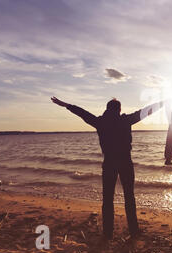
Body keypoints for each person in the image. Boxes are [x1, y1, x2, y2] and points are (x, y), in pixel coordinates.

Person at [51, 96, 165, 240]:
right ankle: (134, 231)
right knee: (129, 197)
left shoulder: (100, 122)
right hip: (125, 162)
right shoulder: (125, 120)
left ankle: (108, 233)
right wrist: (162, 103)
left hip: (109, 162)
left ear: (107, 108)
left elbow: (82, 113)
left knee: (108, 199)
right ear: (119, 109)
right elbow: (146, 111)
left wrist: (65, 104)